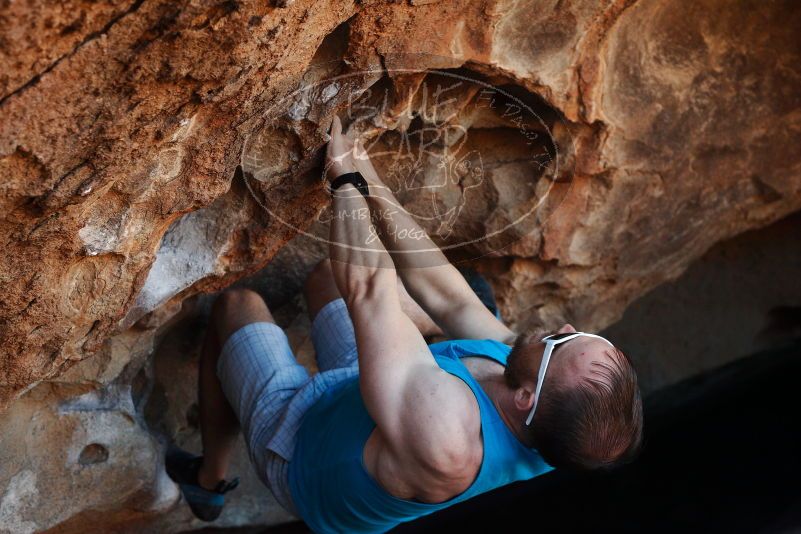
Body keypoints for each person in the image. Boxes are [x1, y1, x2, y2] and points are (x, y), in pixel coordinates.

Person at [166, 116, 644, 532]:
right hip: (377, 397)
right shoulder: (550, 417)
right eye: (581, 335)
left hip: (305, 454)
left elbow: (369, 290)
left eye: (562, 345)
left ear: (526, 400)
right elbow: (444, 291)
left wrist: (344, 179)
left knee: (237, 308)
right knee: (329, 276)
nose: (561, 329)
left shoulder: (446, 437)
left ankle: (210, 479)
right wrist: (369, 176)